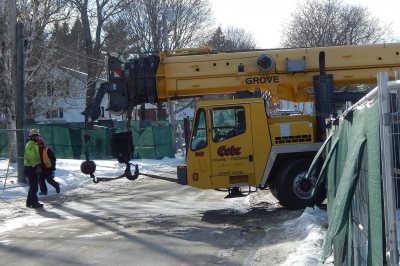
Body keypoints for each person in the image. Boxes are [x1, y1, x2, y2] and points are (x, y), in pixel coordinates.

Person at [24, 129, 44, 208]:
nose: (38, 137)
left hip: (31, 168)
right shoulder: (31, 145)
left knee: (32, 186)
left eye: (38, 136)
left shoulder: (33, 144)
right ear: (32, 137)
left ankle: (29, 202)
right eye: (36, 136)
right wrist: (36, 166)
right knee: (34, 187)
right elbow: (31, 157)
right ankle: (34, 202)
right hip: (31, 168)